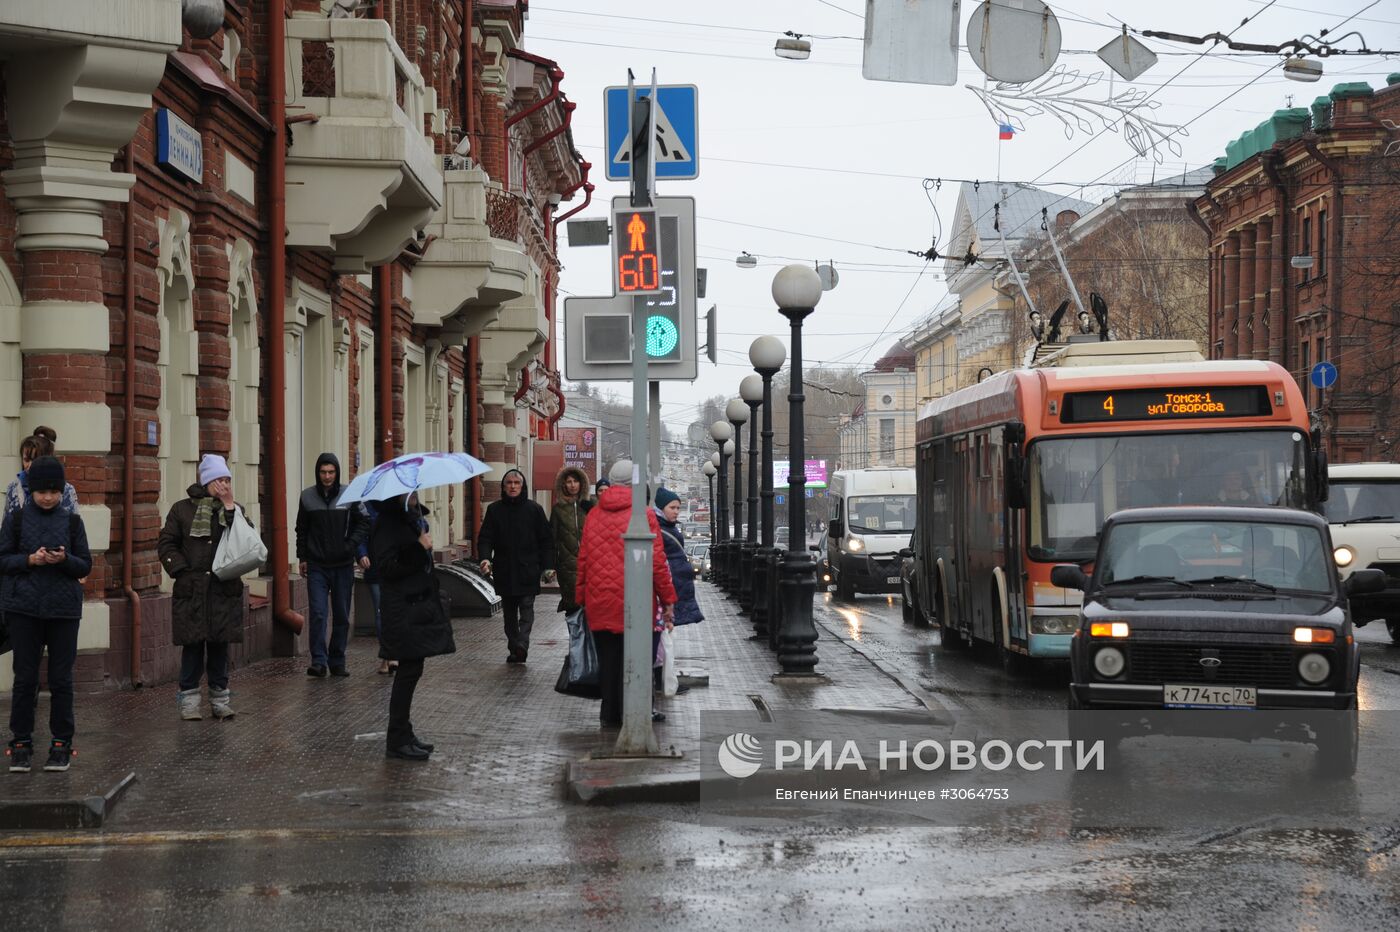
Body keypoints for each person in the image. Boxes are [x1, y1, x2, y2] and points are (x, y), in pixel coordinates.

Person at [1, 456, 91, 773]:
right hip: (23, 610)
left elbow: (85, 565)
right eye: (42, 491)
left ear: (61, 490)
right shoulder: (15, 520)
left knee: (61, 680)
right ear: (33, 490)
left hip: (64, 611)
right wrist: (31, 560)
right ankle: (21, 743)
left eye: (54, 490)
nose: (48, 497)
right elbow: (3, 560)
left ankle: (61, 744)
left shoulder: (71, 522)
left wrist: (63, 560)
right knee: (25, 679)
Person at [576, 460, 677, 727]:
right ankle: (635, 713)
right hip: (637, 603)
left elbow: (583, 560)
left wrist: (580, 597)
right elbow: (657, 562)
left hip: (600, 601)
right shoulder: (644, 515)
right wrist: (668, 599)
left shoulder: (594, 515)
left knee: (608, 661)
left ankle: (610, 715)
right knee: (637, 659)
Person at [157, 454, 249, 722]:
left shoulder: (234, 508)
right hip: (192, 590)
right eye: (219, 479)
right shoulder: (182, 510)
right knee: (193, 647)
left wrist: (230, 507)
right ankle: (189, 701)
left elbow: (247, 540)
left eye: (227, 480)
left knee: (220, 648)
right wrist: (181, 571)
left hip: (223, 590)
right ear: (207, 481)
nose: (224, 485)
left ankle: (221, 701)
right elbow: (166, 544)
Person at [371, 491, 455, 761]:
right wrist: (419, 548)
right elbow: (386, 568)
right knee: (407, 673)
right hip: (401, 608)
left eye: (416, 491)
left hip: (414, 606)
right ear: (397, 496)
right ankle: (396, 739)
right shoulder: (386, 524)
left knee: (413, 669)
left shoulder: (410, 520)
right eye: (409, 492)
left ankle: (404, 733)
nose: (415, 496)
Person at [295, 453, 370, 678]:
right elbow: (301, 529)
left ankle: (337, 660)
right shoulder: (307, 496)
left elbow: (364, 522)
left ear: (337, 473)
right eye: (323, 472)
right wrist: (302, 558)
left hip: (342, 565)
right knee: (318, 613)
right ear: (317, 473)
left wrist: (350, 546)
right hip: (317, 565)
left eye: (331, 472)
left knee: (341, 615)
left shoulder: (350, 495)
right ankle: (318, 661)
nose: (327, 477)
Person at [477, 468, 553, 664]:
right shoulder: (494, 510)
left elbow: (546, 541)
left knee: (527, 608)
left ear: (522, 486)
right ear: (503, 487)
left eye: (516, 483)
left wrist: (548, 567)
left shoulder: (534, 510)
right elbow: (485, 538)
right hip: (505, 570)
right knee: (509, 612)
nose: (512, 486)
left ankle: (522, 644)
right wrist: (485, 558)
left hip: (528, 569)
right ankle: (514, 647)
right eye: (509, 483)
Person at [654, 487, 703, 696]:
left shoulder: (668, 527)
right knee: (663, 642)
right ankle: (664, 683)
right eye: (672, 507)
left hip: (674, 589)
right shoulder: (660, 529)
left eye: (678, 508)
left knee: (665, 641)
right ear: (660, 508)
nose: (676, 511)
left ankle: (665, 681)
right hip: (666, 591)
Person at [354, 502, 397, 676]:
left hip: (400, 569)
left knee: (396, 612)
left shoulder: (404, 504)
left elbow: (420, 526)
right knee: (381, 613)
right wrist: (362, 553)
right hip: (376, 569)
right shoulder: (368, 508)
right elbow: (361, 533)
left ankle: (393, 654)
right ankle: (388, 654)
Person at [4, 427, 80, 524]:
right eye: (26, 460)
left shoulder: (66, 490)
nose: (30, 465)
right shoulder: (14, 488)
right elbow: (6, 527)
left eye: (36, 459)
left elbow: (74, 529)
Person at [550, 466, 592, 614]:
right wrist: (551, 565)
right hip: (567, 567)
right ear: (563, 484)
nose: (573, 485)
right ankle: (575, 637)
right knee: (573, 608)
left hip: (591, 565)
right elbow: (553, 539)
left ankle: (588, 637)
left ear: (582, 484)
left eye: (576, 481)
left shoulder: (590, 505)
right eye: (569, 481)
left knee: (592, 608)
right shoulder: (558, 509)